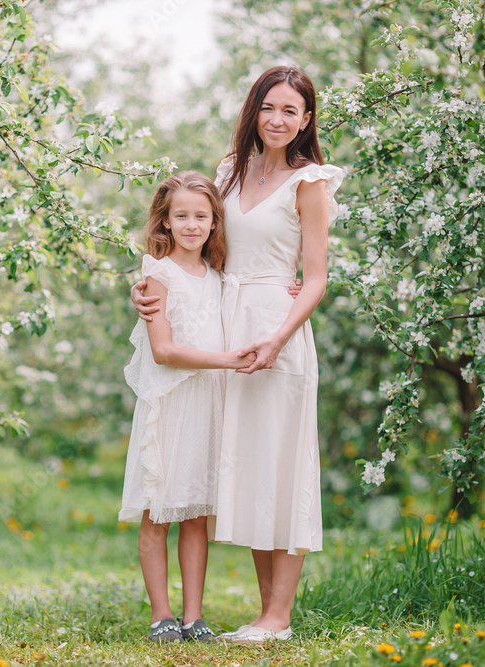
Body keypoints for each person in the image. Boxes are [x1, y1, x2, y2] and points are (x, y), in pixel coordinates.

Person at [131, 66, 345, 644]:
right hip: (226, 326)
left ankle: (280, 615)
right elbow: (198, 245)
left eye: (291, 111)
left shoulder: (310, 183)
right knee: (250, 467)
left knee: (283, 464)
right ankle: (262, 612)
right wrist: (150, 285)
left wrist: (277, 336)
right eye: (269, 108)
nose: (278, 120)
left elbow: (318, 277)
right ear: (254, 112)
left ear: (306, 120)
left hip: (276, 330)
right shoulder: (231, 172)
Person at [120, 170, 257, 644]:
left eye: (201, 216)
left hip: (208, 406)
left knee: (196, 513)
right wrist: (225, 361)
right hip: (171, 404)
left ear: (215, 222)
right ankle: (162, 615)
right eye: (181, 216)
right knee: (159, 510)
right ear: (166, 222)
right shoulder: (157, 275)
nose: (192, 225)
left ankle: (193, 616)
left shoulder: (220, 278)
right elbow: (164, 351)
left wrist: (292, 288)